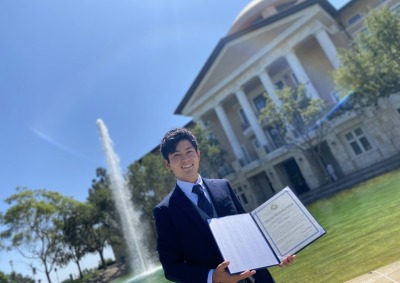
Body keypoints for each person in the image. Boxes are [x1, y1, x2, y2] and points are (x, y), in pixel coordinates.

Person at [153, 128, 295, 283]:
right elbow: (171, 267)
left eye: (189, 151)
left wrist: (275, 254)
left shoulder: (223, 186)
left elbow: (249, 231)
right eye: (176, 155)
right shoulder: (165, 211)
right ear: (167, 164)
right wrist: (211, 277)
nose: (185, 159)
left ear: (198, 154)